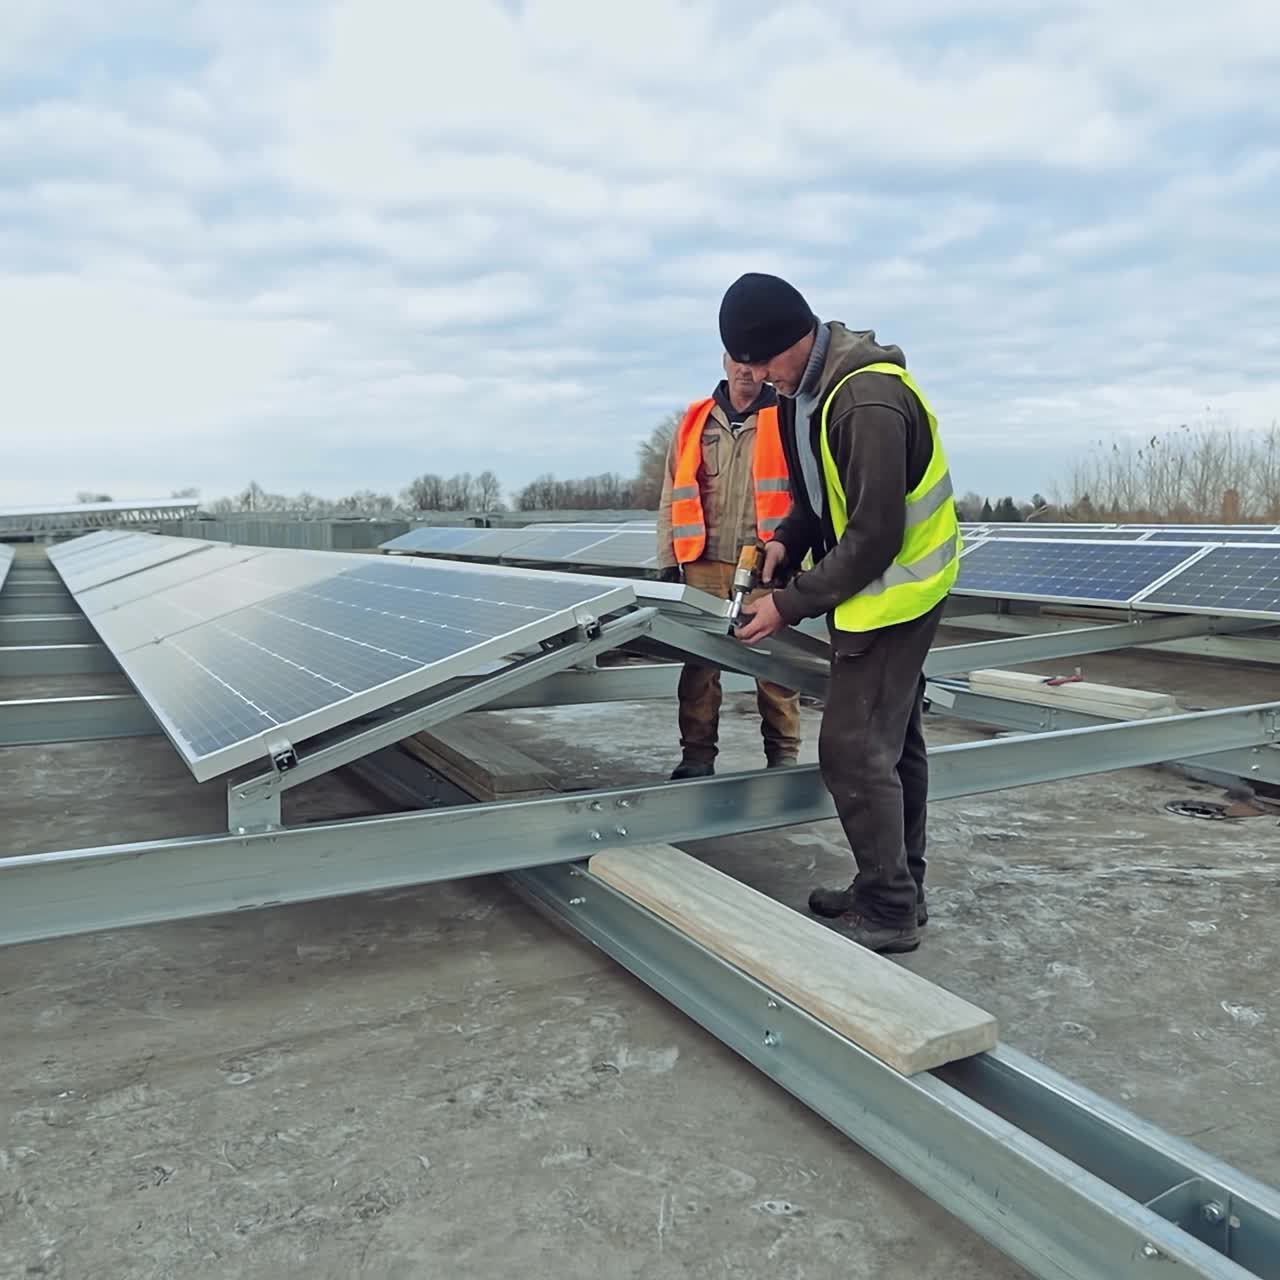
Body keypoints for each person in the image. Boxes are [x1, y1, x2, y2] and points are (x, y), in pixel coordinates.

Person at [723, 273, 960, 954]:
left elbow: (875, 534)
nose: (759, 379)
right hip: (870, 584)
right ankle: (895, 887)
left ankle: (888, 908)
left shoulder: (864, 400)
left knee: (854, 751)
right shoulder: (804, 396)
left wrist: (788, 605)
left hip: (899, 589)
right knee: (894, 742)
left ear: (791, 341)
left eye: (761, 363)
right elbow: (819, 506)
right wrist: (782, 544)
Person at [656, 353, 802, 780]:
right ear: (724, 362)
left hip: (765, 562)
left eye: (753, 361)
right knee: (699, 668)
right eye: (736, 360)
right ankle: (697, 757)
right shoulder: (696, 420)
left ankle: (783, 758)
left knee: (773, 666)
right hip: (701, 561)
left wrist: (796, 557)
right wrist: (668, 558)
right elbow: (672, 491)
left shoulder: (787, 416)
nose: (744, 369)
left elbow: (808, 496)